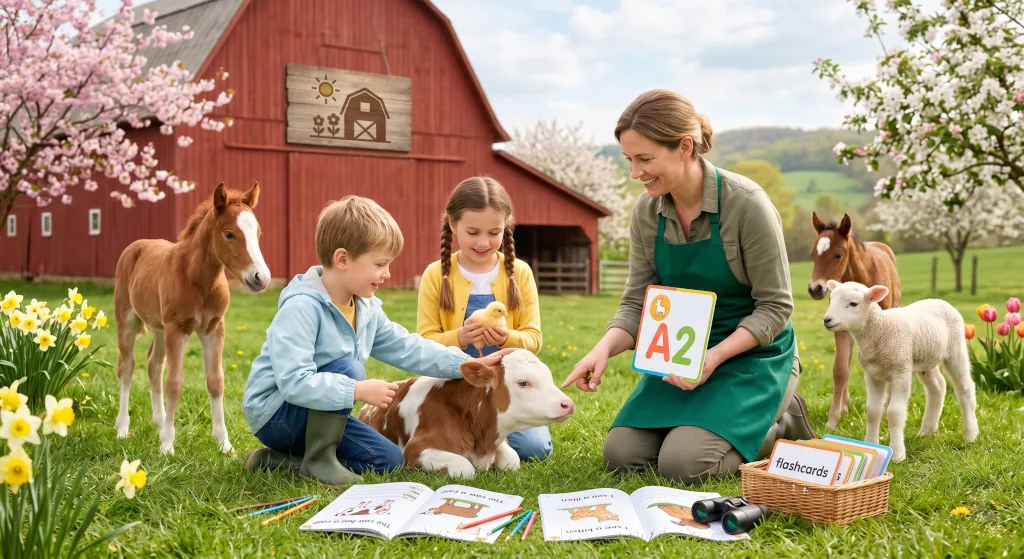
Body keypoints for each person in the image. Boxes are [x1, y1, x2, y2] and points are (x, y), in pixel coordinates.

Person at [562, 89, 817, 485]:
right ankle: (708, 426)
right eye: (629, 159)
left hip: (752, 358)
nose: (635, 173)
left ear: (684, 147)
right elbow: (637, 303)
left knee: (684, 465)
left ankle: (782, 422)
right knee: (622, 456)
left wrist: (713, 358)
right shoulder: (647, 212)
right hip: (680, 360)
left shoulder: (747, 205)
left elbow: (775, 308)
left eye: (645, 159)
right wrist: (602, 349)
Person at [242, 195, 513, 485]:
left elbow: (410, 348)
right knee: (349, 368)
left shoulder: (366, 309)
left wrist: (468, 363)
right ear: (343, 259)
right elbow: (293, 382)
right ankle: (319, 459)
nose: (387, 274)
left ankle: (279, 461)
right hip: (278, 416)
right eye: (380, 264)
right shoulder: (302, 308)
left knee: (388, 461)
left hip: (323, 411)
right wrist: (356, 390)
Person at [416, 176, 552, 461]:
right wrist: (460, 338)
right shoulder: (435, 275)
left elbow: (533, 339)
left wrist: (508, 339)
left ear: (506, 228)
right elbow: (424, 343)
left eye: (494, 232)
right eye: (473, 231)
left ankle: (498, 426)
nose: (483, 242)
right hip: (453, 385)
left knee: (533, 450)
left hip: (508, 386)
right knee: (455, 444)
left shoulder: (520, 273)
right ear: (453, 226)